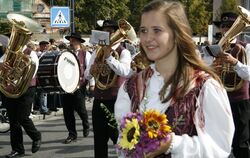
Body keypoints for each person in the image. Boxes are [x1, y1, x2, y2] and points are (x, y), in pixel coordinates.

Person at [114, 1, 235, 157]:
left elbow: (219, 148)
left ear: (177, 34)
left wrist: (172, 143)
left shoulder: (204, 86)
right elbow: (123, 143)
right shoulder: (130, 86)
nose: (147, 38)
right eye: (143, 30)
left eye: (157, 30)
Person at [84, 19, 132, 158]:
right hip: (99, 100)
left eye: (110, 31)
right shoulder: (96, 51)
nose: (107, 34)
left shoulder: (123, 52)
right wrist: (92, 71)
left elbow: (124, 71)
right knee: (99, 141)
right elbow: (87, 75)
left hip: (116, 101)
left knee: (119, 139)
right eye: (104, 31)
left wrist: (108, 58)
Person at [212, 11, 250, 158]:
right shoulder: (214, 48)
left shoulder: (245, 47)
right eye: (224, 26)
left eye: (230, 26)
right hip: (219, 99)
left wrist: (235, 62)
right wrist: (212, 68)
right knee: (220, 140)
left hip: (240, 100)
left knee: (241, 142)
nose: (226, 29)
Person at [0, 34, 42, 158]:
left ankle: (36, 136)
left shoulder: (31, 53)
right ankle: (18, 150)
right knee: (13, 122)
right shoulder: (8, 54)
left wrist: (14, 84)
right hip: (8, 90)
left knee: (22, 117)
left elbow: (30, 73)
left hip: (25, 90)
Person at [62, 32, 90, 144]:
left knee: (81, 109)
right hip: (67, 86)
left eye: (73, 40)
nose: (71, 42)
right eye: (70, 40)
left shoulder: (85, 54)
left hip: (79, 86)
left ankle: (85, 123)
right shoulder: (65, 54)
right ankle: (72, 134)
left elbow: (89, 69)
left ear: (78, 42)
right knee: (67, 112)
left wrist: (90, 83)